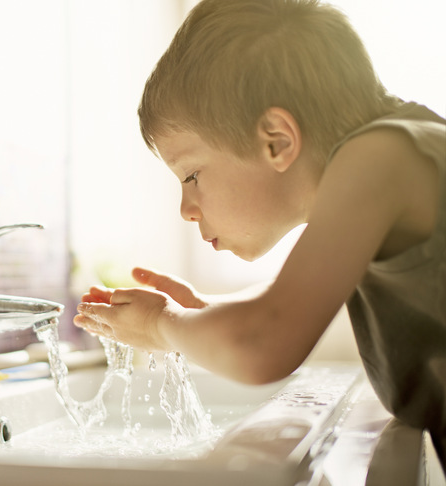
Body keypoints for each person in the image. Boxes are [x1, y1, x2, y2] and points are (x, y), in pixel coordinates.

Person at [73, 0, 446, 466]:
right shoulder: (395, 148)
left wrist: (160, 325)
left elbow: (266, 341)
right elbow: (284, 302)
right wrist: (203, 314)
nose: (186, 210)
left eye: (191, 176)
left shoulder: (380, 157)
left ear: (277, 140)